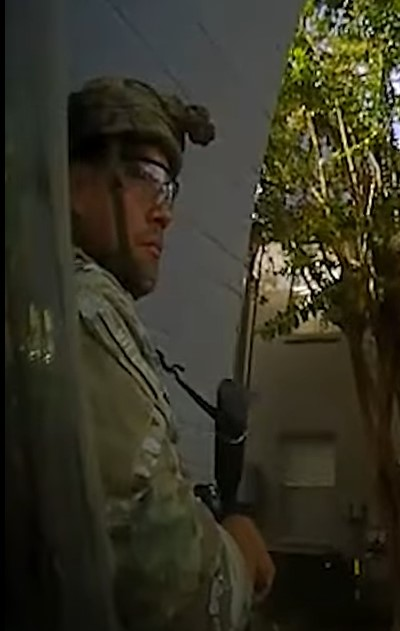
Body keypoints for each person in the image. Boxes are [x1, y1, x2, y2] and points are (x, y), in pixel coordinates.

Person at [68, 76, 274, 630]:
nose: (164, 214)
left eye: (169, 189)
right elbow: (170, 591)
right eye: (143, 175)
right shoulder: (78, 306)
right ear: (70, 181)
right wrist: (236, 552)